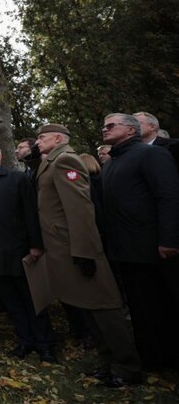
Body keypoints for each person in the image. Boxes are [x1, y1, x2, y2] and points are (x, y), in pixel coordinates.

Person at [35, 123, 141, 387]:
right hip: (63, 249)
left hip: (78, 249)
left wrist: (84, 252)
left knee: (104, 309)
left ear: (58, 138)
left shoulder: (65, 160)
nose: (38, 142)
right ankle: (107, 360)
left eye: (42, 137)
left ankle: (127, 366)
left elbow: (80, 209)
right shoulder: (51, 162)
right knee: (88, 308)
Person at [101, 113, 179, 368]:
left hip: (155, 249)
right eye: (104, 126)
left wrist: (169, 239)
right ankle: (153, 359)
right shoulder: (111, 163)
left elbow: (168, 197)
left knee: (166, 305)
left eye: (111, 125)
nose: (105, 129)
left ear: (131, 130)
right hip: (124, 251)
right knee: (141, 308)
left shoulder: (151, 155)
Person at [0, 145, 55, 363]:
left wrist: (36, 244)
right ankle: (25, 341)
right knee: (11, 301)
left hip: (20, 251)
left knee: (31, 299)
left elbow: (31, 212)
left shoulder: (17, 179)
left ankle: (45, 345)